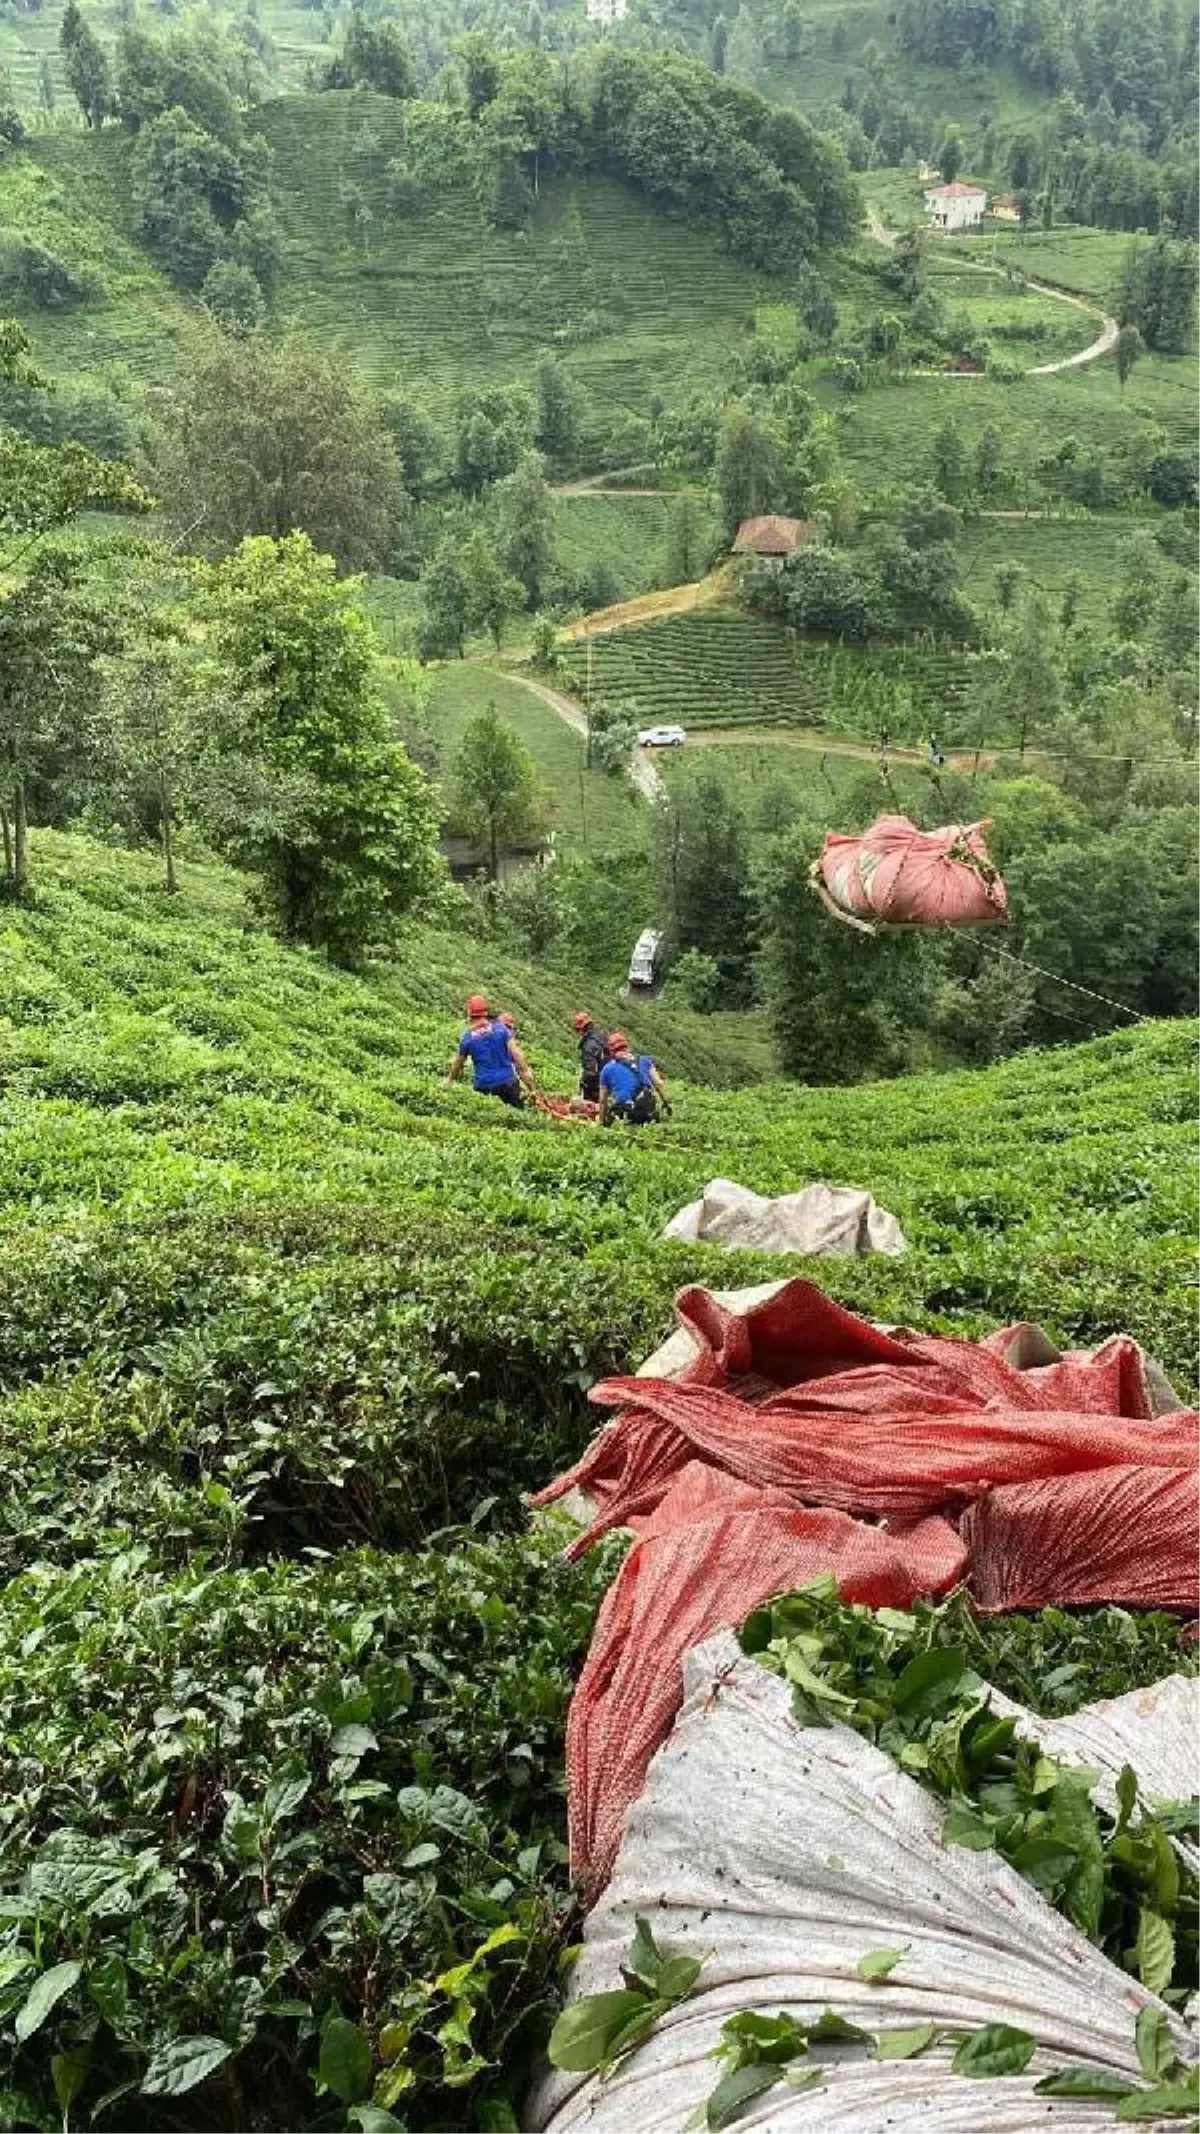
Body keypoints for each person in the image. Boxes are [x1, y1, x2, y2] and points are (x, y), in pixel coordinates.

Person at [446, 995, 535, 1108]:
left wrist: (449, 1080)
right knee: (519, 1118)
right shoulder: (501, 1029)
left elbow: (457, 1065)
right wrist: (531, 1088)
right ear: (486, 1012)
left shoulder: (467, 1039)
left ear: (469, 1013)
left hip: (483, 1087)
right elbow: (517, 1057)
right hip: (507, 1083)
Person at [598, 1031, 669, 1127]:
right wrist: (666, 1103)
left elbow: (602, 1101)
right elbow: (659, 1084)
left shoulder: (607, 1069)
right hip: (647, 1110)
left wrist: (601, 1122)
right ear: (627, 1046)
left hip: (626, 1114)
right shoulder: (645, 1060)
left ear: (611, 1050)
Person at [572, 1010, 609, 1103]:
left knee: (590, 1108)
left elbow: (591, 1072)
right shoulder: (602, 1035)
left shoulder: (589, 1046)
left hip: (596, 1085)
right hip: (609, 1079)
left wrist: (582, 1083)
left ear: (582, 1029)